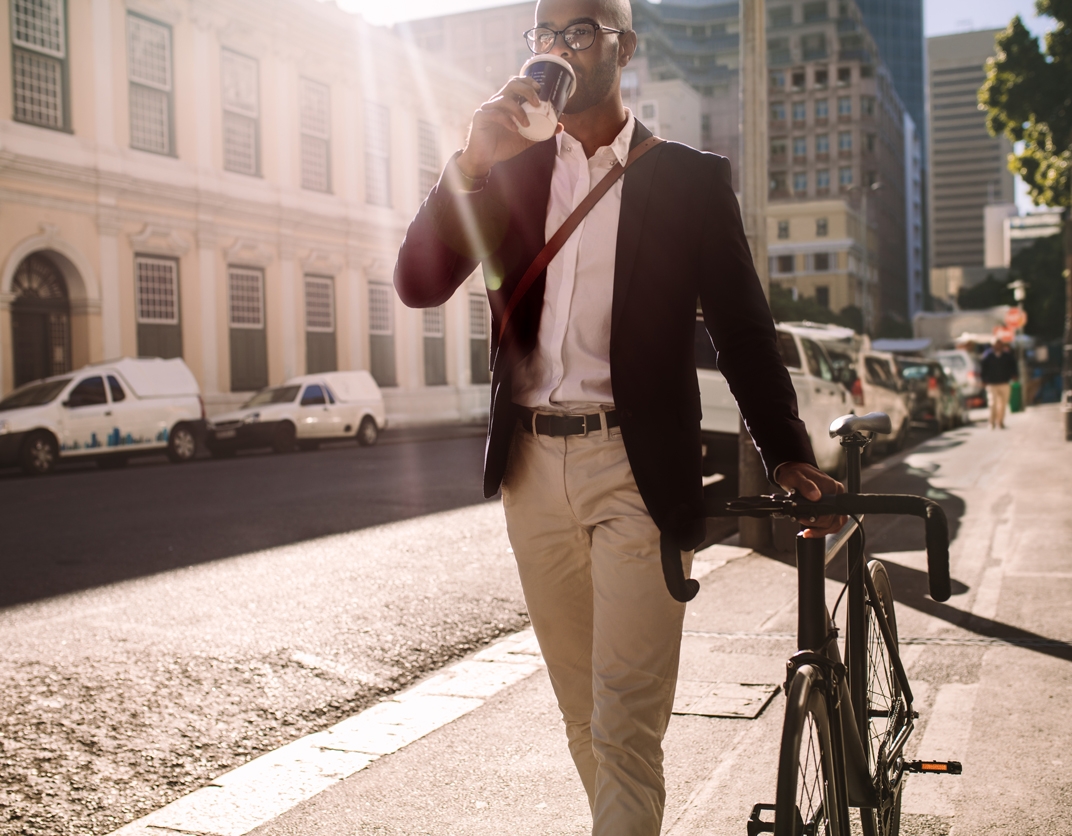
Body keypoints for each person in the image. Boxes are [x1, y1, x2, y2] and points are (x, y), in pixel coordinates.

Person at [394, 1, 843, 832]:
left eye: (581, 31)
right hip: (530, 471)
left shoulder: (687, 178)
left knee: (626, 722)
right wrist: (470, 163)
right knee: (581, 716)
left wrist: (784, 450)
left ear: (623, 47)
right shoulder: (513, 174)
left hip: (635, 470)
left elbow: (742, 328)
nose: (558, 48)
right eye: (545, 35)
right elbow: (420, 282)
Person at [980, 338, 1018, 429]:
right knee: (992, 404)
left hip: (1004, 382)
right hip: (992, 384)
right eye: (996, 344)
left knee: (1003, 404)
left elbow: (1013, 367)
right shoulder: (987, 356)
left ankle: (1000, 422)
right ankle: (991, 422)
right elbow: (983, 370)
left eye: (1000, 344)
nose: (998, 346)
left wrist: (1014, 376)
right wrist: (984, 380)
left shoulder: (1007, 356)